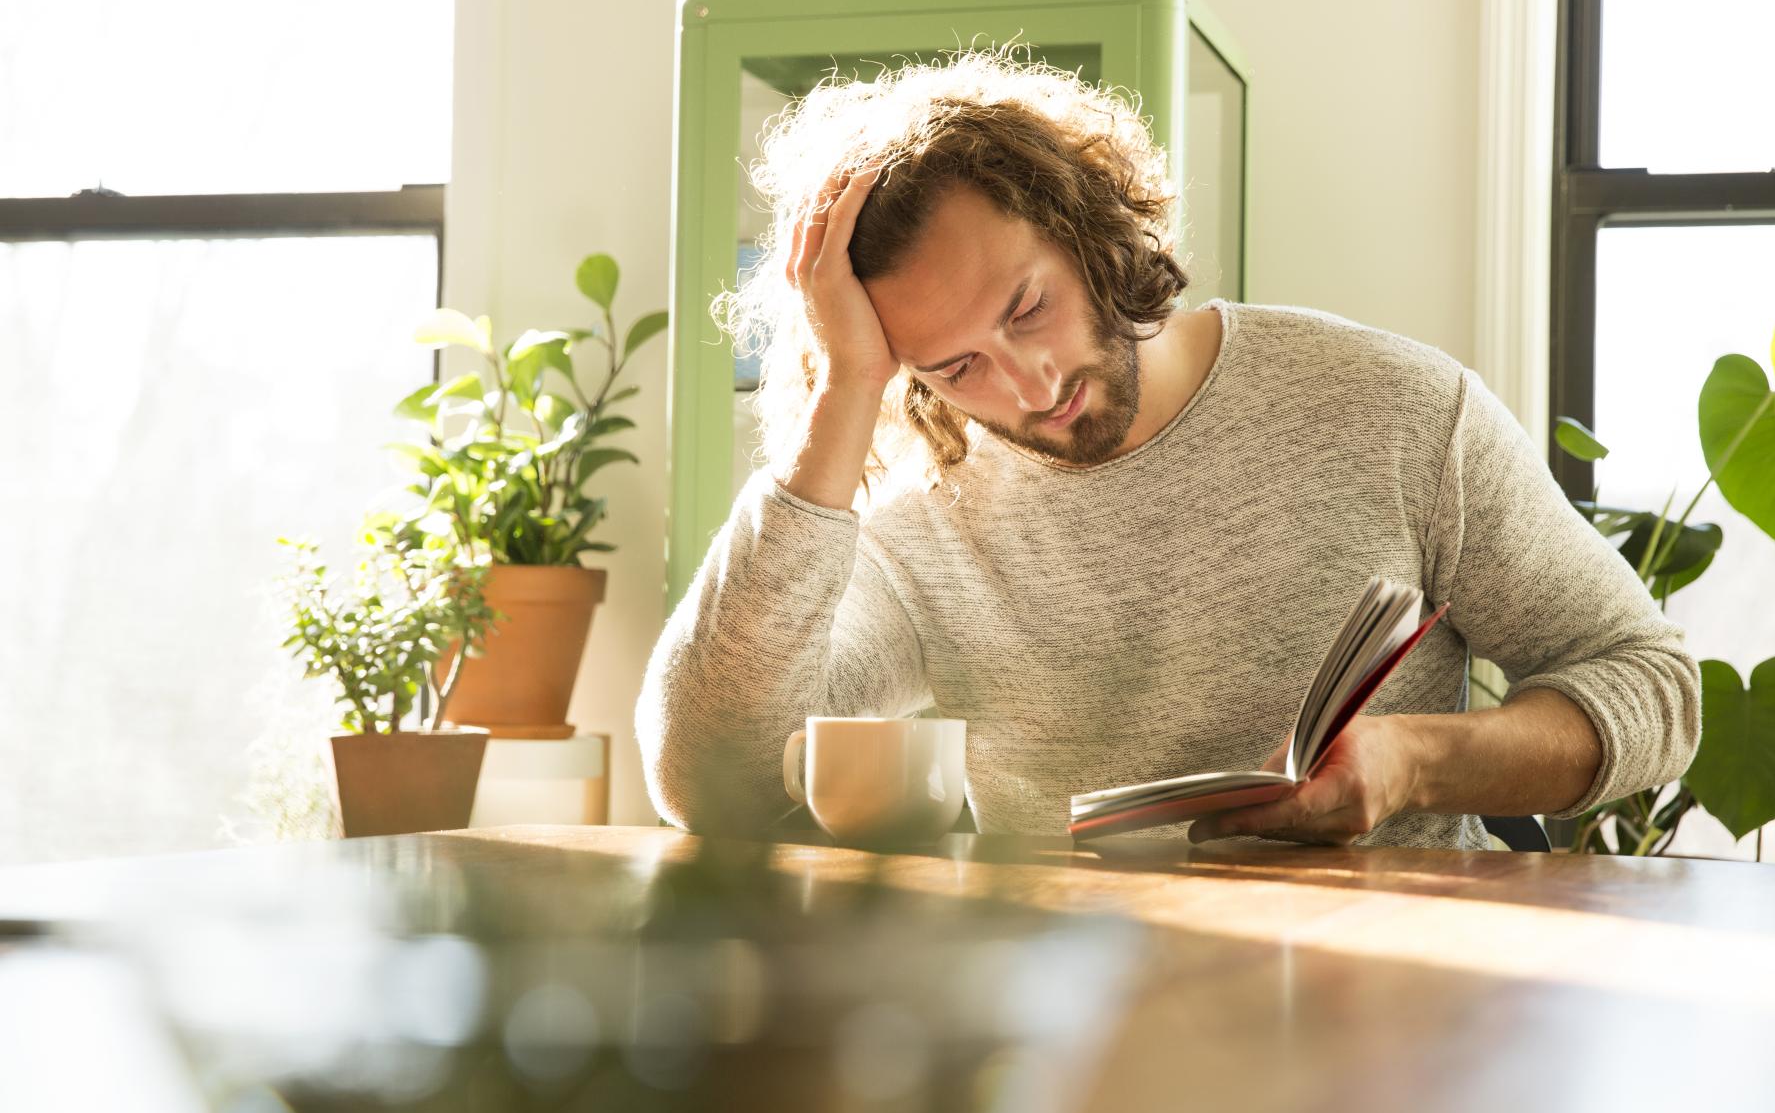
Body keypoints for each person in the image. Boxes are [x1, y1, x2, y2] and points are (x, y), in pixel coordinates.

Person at [637, 49, 1700, 849]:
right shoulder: (923, 510)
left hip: (1380, 1009)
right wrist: (844, 394)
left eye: (1026, 307)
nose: (1027, 386)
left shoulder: (1394, 408)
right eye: (952, 366)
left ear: (1091, 226)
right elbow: (708, 779)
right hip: (1063, 1033)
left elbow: (1655, 686)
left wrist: (1416, 762)